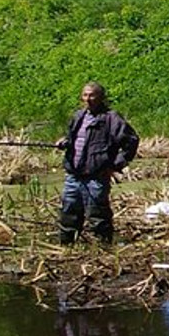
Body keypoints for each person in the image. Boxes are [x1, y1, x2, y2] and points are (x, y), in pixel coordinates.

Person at [53, 82, 139, 244]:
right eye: (85, 95)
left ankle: (104, 248)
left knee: (97, 215)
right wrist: (64, 143)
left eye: (92, 95)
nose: (88, 99)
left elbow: (131, 141)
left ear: (101, 98)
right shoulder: (78, 116)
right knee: (68, 214)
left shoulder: (111, 118)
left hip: (96, 177)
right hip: (73, 175)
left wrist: (114, 165)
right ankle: (66, 248)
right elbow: (72, 140)